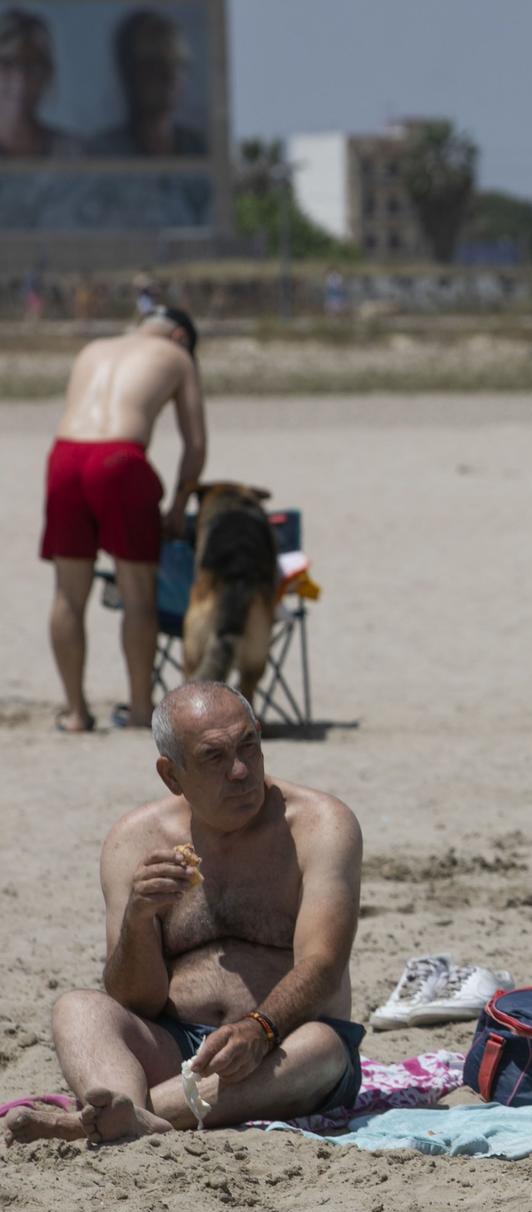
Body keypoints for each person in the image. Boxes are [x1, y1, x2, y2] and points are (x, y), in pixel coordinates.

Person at [2, 683, 364, 1146]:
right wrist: (138, 919)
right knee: (78, 1009)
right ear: (172, 776)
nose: (240, 771)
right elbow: (137, 1002)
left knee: (324, 1050)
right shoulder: (134, 840)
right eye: (214, 757)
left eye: (249, 746)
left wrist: (260, 1030)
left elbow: (323, 965)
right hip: (174, 1044)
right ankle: (126, 1113)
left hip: (283, 1042)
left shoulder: (320, 825)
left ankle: (117, 1117)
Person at [41, 306, 207, 733]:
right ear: (180, 337)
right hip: (119, 459)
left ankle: (76, 712)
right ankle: (137, 710)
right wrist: (177, 504)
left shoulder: (93, 348)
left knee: (68, 594)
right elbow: (196, 444)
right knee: (137, 594)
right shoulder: (177, 357)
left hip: (64, 456)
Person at [85, 7, 206, 158]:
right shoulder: (99, 151)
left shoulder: (200, 146)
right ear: (129, 71)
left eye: (177, 65)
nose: (170, 76)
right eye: (155, 64)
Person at [0, 8, 82, 158]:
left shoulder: (71, 151)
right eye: (7, 63)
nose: (20, 78)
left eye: (32, 65)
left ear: (47, 73)